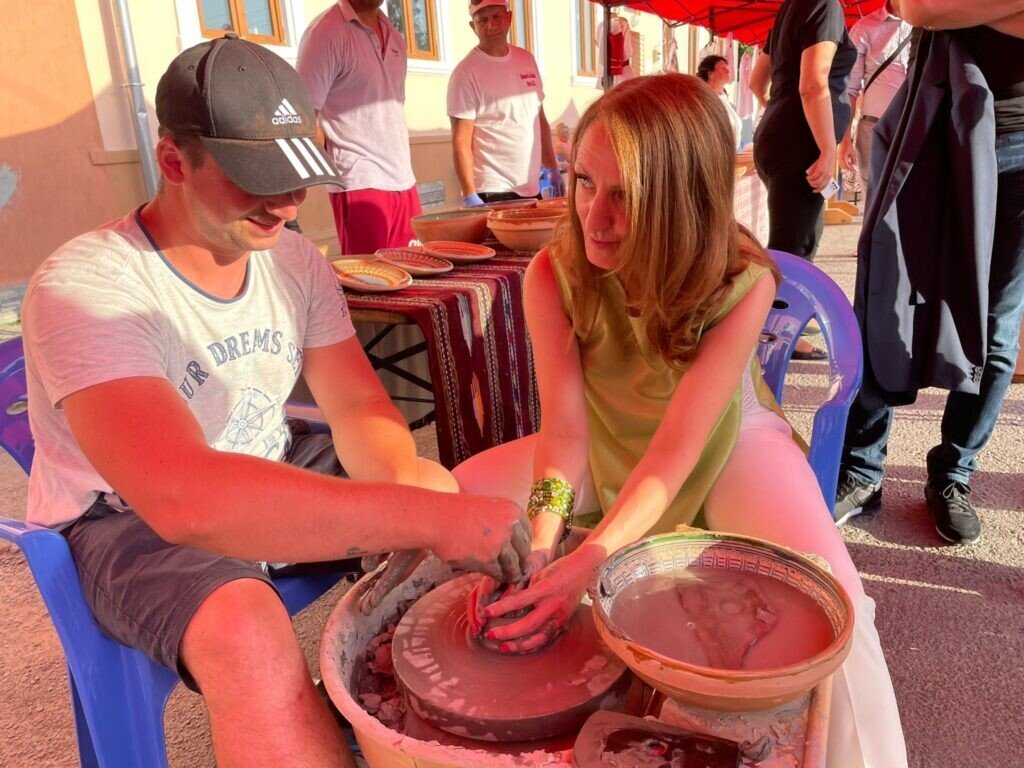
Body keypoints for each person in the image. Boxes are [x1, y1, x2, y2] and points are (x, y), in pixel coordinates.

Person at [20, 36, 531, 767]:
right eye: (260, 178)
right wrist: (419, 518)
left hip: (262, 452)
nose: (288, 205)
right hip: (124, 513)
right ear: (174, 161)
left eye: (299, 178)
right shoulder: (90, 288)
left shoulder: (293, 259)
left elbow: (358, 408)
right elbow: (183, 497)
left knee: (430, 486)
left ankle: (373, 710)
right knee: (246, 627)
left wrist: (409, 494)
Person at [453, 73, 907, 768]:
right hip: (601, 434)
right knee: (449, 507)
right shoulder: (551, 273)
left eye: (627, 196)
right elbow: (567, 433)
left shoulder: (743, 280)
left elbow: (674, 454)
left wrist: (589, 562)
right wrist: (542, 546)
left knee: (834, 609)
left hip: (725, 439)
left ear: (682, 199)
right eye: (585, 182)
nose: (595, 219)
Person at [835, 1, 1024, 544]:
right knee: (888, 292)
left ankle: (953, 472)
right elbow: (918, 7)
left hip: (1018, 142)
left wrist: (963, 11)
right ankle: (862, 468)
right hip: (933, 125)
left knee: (999, 326)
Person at [296, 0, 420, 254]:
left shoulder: (396, 37)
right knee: (371, 277)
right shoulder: (325, 32)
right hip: (360, 182)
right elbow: (302, 116)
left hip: (404, 180)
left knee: (414, 274)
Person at [749, 0, 856, 262]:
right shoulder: (825, 5)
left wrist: (778, 112)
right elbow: (813, 85)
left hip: (777, 137)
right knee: (792, 256)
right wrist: (827, 148)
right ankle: (771, 291)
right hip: (800, 145)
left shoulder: (790, 8)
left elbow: (756, 83)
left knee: (799, 242)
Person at [448, 0, 565, 206]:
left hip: (531, 188)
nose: (491, 26)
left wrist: (552, 167)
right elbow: (461, 141)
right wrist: (469, 194)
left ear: (509, 18)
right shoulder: (465, 73)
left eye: (496, 17)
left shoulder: (526, 60)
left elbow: (539, 121)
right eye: (482, 20)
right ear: (473, 26)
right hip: (493, 191)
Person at [837, 7, 913, 206]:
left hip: (916, 128)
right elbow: (849, 89)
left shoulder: (930, 26)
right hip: (873, 129)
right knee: (875, 202)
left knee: (914, 201)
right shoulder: (865, 28)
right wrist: (845, 140)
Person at [697, 54, 743, 150]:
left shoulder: (723, 96)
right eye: (723, 68)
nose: (728, 71)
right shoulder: (703, 99)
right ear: (710, 74)